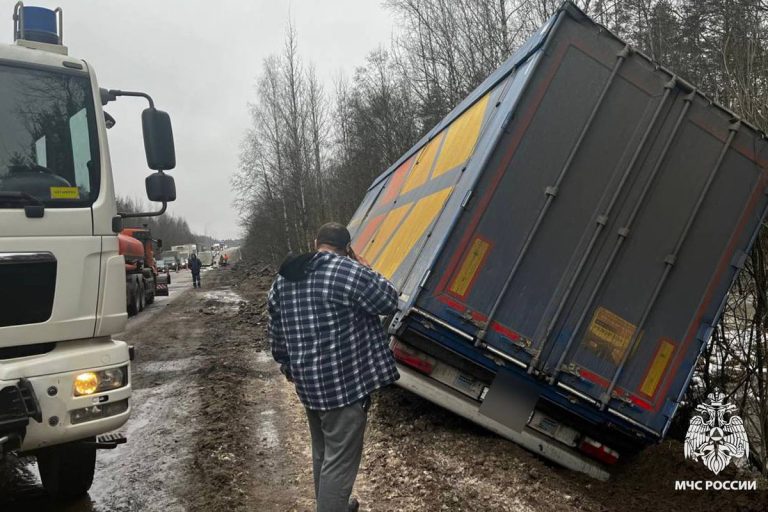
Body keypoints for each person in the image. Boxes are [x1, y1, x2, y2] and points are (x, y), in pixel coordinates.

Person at [268, 222, 399, 512]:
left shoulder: (286, 278)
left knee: (324, 454)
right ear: (347, 248)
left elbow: (275, 332)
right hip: (344, 389)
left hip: (308, 386)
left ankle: (335, 505)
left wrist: (288, 367)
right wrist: (365, 267)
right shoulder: (349, 271)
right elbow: (389, 300)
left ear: (316, 242)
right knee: (339, 464)